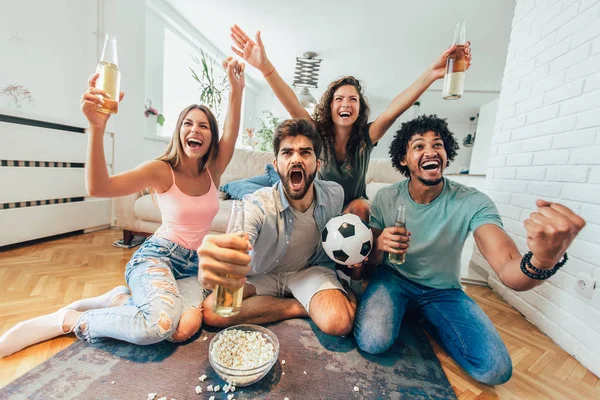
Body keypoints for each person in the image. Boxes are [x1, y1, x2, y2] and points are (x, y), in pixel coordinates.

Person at [0, 59, 246, 358]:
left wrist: (237, 88)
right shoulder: (160, 170)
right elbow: (99, 188)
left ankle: (120, 300)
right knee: (157, 327)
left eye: (204, 126)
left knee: (183, 329)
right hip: (159, 257)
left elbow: (232, 131)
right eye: (188, 123)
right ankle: (71, 320)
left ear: (211, 138)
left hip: (192, 268)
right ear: (178, 132)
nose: (195, 129)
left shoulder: (213, 171)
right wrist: (96, 128)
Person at [353, 114, 586, 385]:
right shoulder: (386, 197)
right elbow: (371, 262)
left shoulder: (473, 202)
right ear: (404, 159)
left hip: (444, 291)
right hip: (393, 280)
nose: (430, 151)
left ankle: (428, 317)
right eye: (419, 146)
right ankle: (416, 313)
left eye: (437, 144)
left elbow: (508, 268)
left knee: (495, 370)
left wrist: (544, 259)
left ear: (446, 154)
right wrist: (380, 244)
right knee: (372, 342)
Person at [229, 24, 471, 283]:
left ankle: (355, 278)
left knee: (358, 207)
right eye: (339, 99)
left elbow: (394, 110)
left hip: (355, 209)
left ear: (359, 107)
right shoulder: (316, 134)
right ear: (329, 106)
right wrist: (265, 67)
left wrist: (433, 74)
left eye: (353, 99)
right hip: (321, 205)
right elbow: (292, 104)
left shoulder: (367, 137)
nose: (346, 104)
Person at [198, 118, 357, 336]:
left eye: (305, 152)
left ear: (318, 165)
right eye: (287, 153)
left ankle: (308, 299)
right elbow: (240, 238)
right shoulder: (258, 203)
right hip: (264, 274)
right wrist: (224, 259)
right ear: (276, 164)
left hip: (308, 272)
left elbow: (354, 214)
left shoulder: (334, 194)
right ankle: (300, 306)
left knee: (339, 323)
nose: (296, 159)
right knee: (213, 310)